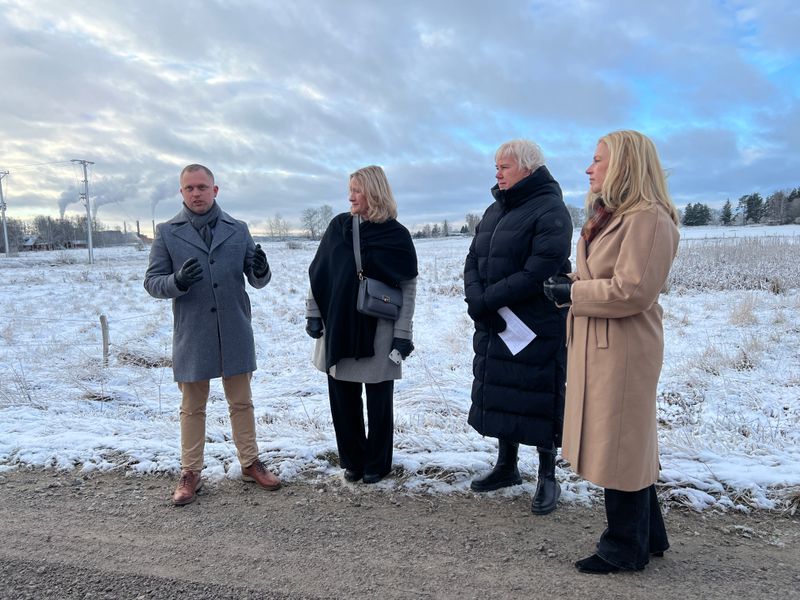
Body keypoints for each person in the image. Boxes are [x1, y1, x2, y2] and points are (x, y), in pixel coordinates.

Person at [543, 130, 680, 574]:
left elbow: (634, 291)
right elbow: (610, 278)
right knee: (626, 441)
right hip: (600, 343)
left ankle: (624, 547)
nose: (589, 168)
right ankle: (649, 535)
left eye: (598, 159)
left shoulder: (650, 218)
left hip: (624, 347)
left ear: (623, 165)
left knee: (623, 442)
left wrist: (573, 291)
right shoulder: (611, 215)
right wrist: (571, 283)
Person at [144, 164, 281, 506]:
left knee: (242, 402)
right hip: (194, 334)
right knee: (192, 407)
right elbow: (152, 283)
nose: (196, 193)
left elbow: (257, 276)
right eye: (189, 188)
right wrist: (177, 281)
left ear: (215, 190)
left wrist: (262, 271)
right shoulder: (166, 232)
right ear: (181, 192)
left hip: (234, 328)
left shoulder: (238, 229)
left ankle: (250, 462)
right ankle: (190, 472)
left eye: (202, 187)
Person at [464, 139, 572, 515]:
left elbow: (540, 268)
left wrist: (487, 300)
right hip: (496, 322)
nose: (497, 172)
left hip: (535, 322)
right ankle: (507, 466)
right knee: (502, 391)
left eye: (504, 166)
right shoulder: (495, 209)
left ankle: (547, 475)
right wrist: (476, 300)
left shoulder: (550, 208)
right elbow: (473, 257)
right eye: (496, 166)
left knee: (539, 394)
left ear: (527, 168)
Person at [306, 165, 418, 484]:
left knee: (380, 401)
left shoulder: (397, 235)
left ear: (375, 192)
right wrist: (313, 313)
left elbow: (408, 287)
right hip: (339, 326)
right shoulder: (338, 226)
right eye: (350, 189)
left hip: (380, 330)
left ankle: (378, 463)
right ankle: (353, 460)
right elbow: (318, 273)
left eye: (357, 189)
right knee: (343, 398)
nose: (350, 196)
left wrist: (403, 334)